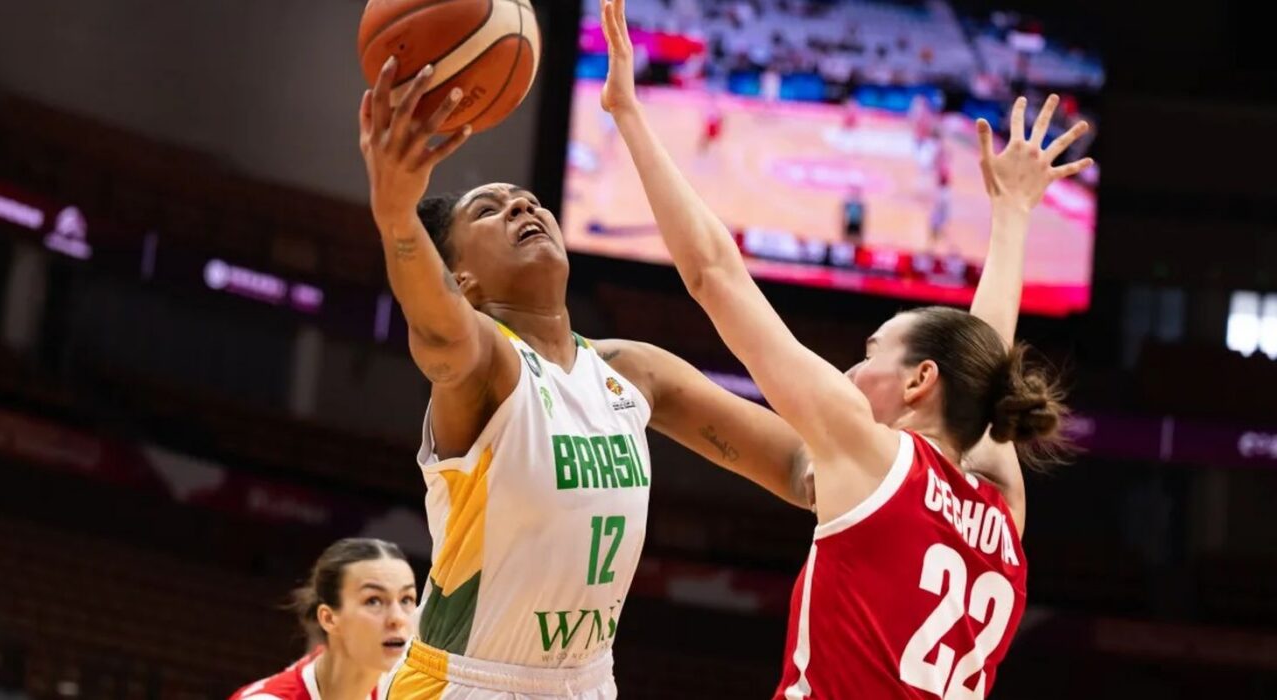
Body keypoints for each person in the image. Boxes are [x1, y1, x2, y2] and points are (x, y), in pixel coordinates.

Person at [599, 0, 1094, 695]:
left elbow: (714, 273)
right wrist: (1011, 215)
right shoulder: (1002, 513)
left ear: (921, 381)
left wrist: (629, 113)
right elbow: (986, 358)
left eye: (871, 352)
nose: (851, 369)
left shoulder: (874, 455)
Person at [357, 52, 812, 698]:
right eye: (490, 210)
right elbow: (437, 331)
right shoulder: (488, 367)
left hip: (587, 682)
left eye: (529, 200)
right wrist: (397, 220)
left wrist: (892, 471)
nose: (521, 208)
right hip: (466, 684)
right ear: (461, 281)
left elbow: (799, 467)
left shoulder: (631, 370)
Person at [229, 538, 418, 700]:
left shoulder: (409, 690)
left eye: (406, 599)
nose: (398, 618)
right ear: (328, 618)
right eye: (373, 601)